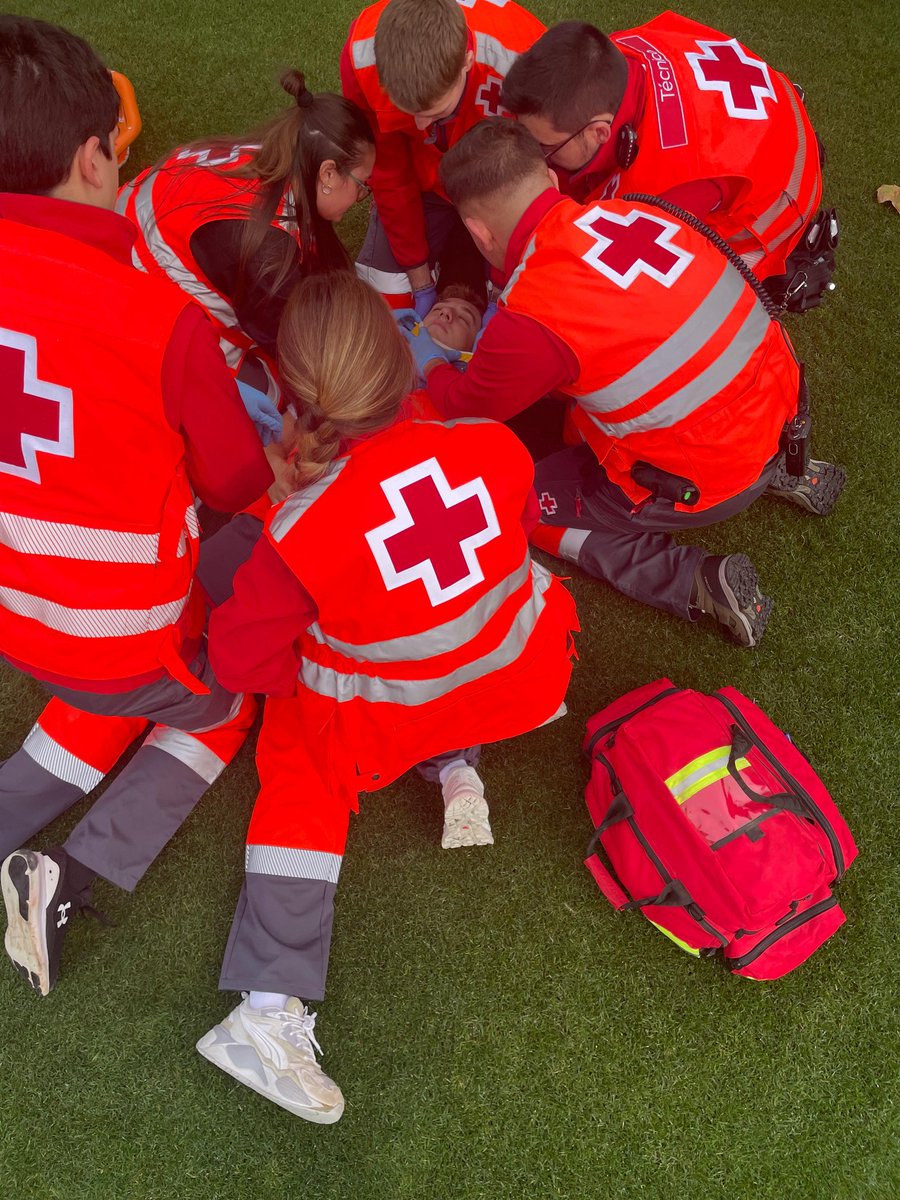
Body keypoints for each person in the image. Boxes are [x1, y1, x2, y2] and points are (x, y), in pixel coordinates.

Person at [195, 272, 578, 1122]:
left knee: (296, 749)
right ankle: (455, 769)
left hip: (385, 724)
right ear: (400, 366)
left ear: (295, 400)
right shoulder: (492, 443)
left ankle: (266, 1011)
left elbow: (241, 663)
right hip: (520, 685)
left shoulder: (303, 530)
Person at [0, 16, 273, 995]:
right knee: (223, 696)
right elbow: (240, 485)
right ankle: (72, 877)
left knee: (109, 679)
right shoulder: (155, 320)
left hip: (16, 613)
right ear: (92, 153)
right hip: (116, 632)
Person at [407, 119, 846, 649]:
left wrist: (428, 357)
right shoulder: (637, 210)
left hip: (704, 478)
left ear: (478, 232)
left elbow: (464, 406)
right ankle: (784, 469)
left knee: (509, 503)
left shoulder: (531, 313)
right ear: (548, 178)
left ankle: (693, 580)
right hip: (782, 410)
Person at [500, 17, 836, 311]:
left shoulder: (673, 185)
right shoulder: (612, 59)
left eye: (544, 146)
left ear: (598, 132)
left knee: (664, 296)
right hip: (757, 115)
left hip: (775, 201)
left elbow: (612, 283)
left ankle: (791, 263)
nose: (533, 153)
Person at [117, 69, 375, 418]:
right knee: (274, 397)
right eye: (362, 185)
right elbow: (295, 354)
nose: (361, 196)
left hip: (129, 230)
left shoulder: (281, 154)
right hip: (135, 296)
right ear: (328, 174)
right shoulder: (267, 253)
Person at [341, 0, 545, 310]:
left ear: (467, 61)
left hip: (500, 186)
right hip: (423, 185)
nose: (420, 126)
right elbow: (389, 169)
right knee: (382, 300)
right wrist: (418, 278)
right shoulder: (361, 56)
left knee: (528, 302)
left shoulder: (525, 59)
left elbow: (532, 178)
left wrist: (502, 287)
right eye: (408, 112)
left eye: (434, 113)